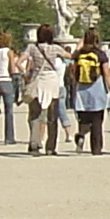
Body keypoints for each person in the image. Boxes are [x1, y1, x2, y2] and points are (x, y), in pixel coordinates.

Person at [23, 25, 68, 155]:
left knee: (35, 115)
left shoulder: (32, 47)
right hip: (52, 81)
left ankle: (35, 143)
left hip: (38, 80)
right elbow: (70, 56)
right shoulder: (55, 48)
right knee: (52, 116)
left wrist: (25, 73)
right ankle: (50, 147)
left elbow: (19, 61)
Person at [68, 36, 109, 153]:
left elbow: (74, 73)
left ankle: (81, 135)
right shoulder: (100, 54)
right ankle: (96, 148)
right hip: (97, 89)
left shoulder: (79, 55)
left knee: (83, 119)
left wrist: (74, 89)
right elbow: (106, 73)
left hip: (82, 90)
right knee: (97, 120)